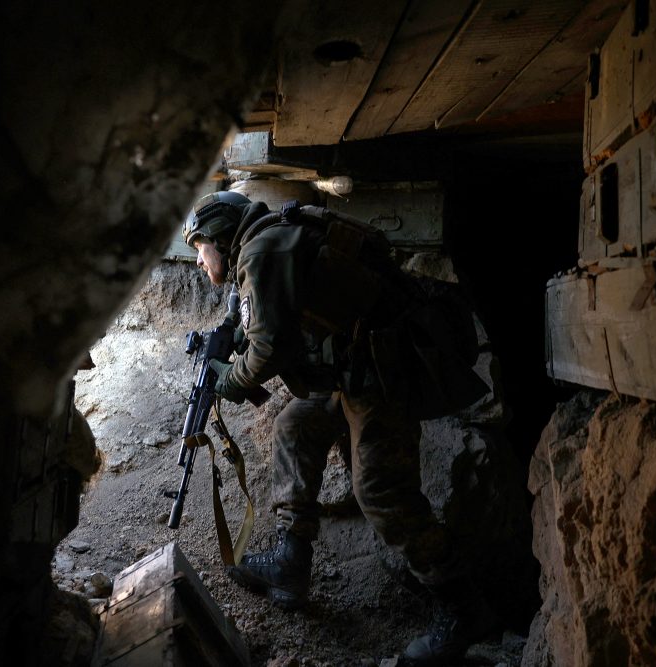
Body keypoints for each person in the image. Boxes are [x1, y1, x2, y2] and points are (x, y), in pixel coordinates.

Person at [182, 190, 494, 665]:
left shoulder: (262, 252)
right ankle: (292, 558)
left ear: (220, 237)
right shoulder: (263, 245)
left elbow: (267, 351)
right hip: (354, 371)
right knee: (294, 425)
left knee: (379, 491)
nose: (201, 263)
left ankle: (462, 607)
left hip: (382, 374)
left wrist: (230, 379)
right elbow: (249, 315)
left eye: (200, 249)